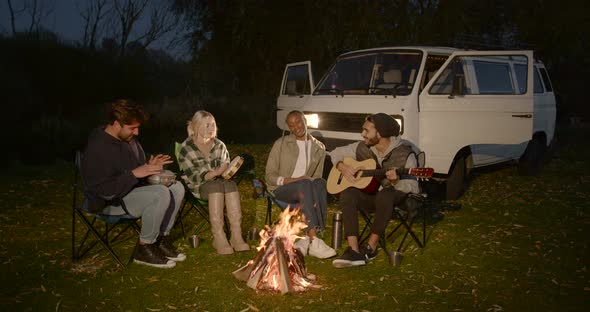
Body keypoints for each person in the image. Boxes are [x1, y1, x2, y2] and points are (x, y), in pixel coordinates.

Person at [82, 99, 186, 269]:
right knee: (160, 193)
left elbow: (133, 168)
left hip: (129, 191)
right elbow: (104, 190)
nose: (137, 132)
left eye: (137, 127)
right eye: (132, 128)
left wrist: (150, 166)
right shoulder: (98, 147)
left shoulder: (127, 140)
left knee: (176, 187)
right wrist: (135, 174)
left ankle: (160, 239)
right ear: (116, 124)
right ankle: (144, 248)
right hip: (108, 203)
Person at [329, 113, 419, 268]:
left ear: (380, 133)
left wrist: (396, 181)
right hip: (371, 196)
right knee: (348, 193)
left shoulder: (405, 153)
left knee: (386, 194)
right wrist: (342, 167)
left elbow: (413, 187)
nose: (362, 134)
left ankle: (371, 247)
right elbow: (335, 152)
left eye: (366, 130)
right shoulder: (363, 147)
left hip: (395, 199)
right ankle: (354, 250)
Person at [265, 110, 336, 259]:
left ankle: (305, 241)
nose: (296, 127)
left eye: (298, 121)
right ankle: (314, 240)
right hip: (281, 189)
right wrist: (294, 180)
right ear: (289, 128)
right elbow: (269, 176)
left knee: (320, 183)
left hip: (305, 190)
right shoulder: (282, 144)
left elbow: (316, 178)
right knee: (304, 183)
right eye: (291, 125)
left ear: (305, 120)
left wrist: (312, 187)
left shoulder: (319, 148)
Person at [177, 110, 250, 255]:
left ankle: (236, 236)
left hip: (220, 183)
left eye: (213, 125)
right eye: (206, 125)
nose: (211, 129)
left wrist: (227, 171)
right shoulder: (186, 148)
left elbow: (226, 170)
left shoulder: (219, 145)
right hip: (198, 186)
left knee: (231, 185)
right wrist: (215, 172)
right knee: (216, 185)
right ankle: (219, 237)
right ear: (196, 126)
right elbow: (194, 177)